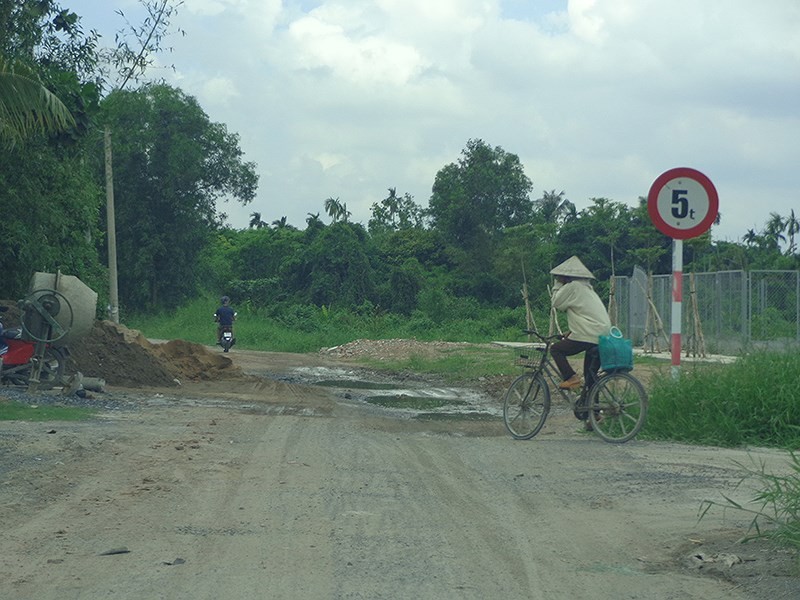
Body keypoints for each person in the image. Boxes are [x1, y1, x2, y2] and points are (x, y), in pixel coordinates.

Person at [549, 256, 611, 391]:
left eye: (560, 277)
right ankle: (592, 411)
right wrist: (571, 332)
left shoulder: (573, 286)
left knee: (556, 349)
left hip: (589, 333)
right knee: (590, 377)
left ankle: (571, 377)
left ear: (566, 276)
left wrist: (558, 284)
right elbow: (585, 314)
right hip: (601, 334)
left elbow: (556, 302)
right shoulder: (588, 288)